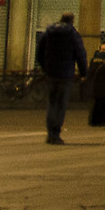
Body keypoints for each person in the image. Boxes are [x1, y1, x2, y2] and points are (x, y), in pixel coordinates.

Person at [36, 10, 88, 144]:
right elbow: (80, 54)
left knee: (52, 102)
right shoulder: (73, 34)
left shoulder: (48, 32)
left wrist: (45, 67)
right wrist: (83, 73)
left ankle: (50, 132)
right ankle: (55, 132)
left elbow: (39, 52)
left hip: (51, 73)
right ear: (72, 20)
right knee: (61, 103)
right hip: (65, 74)